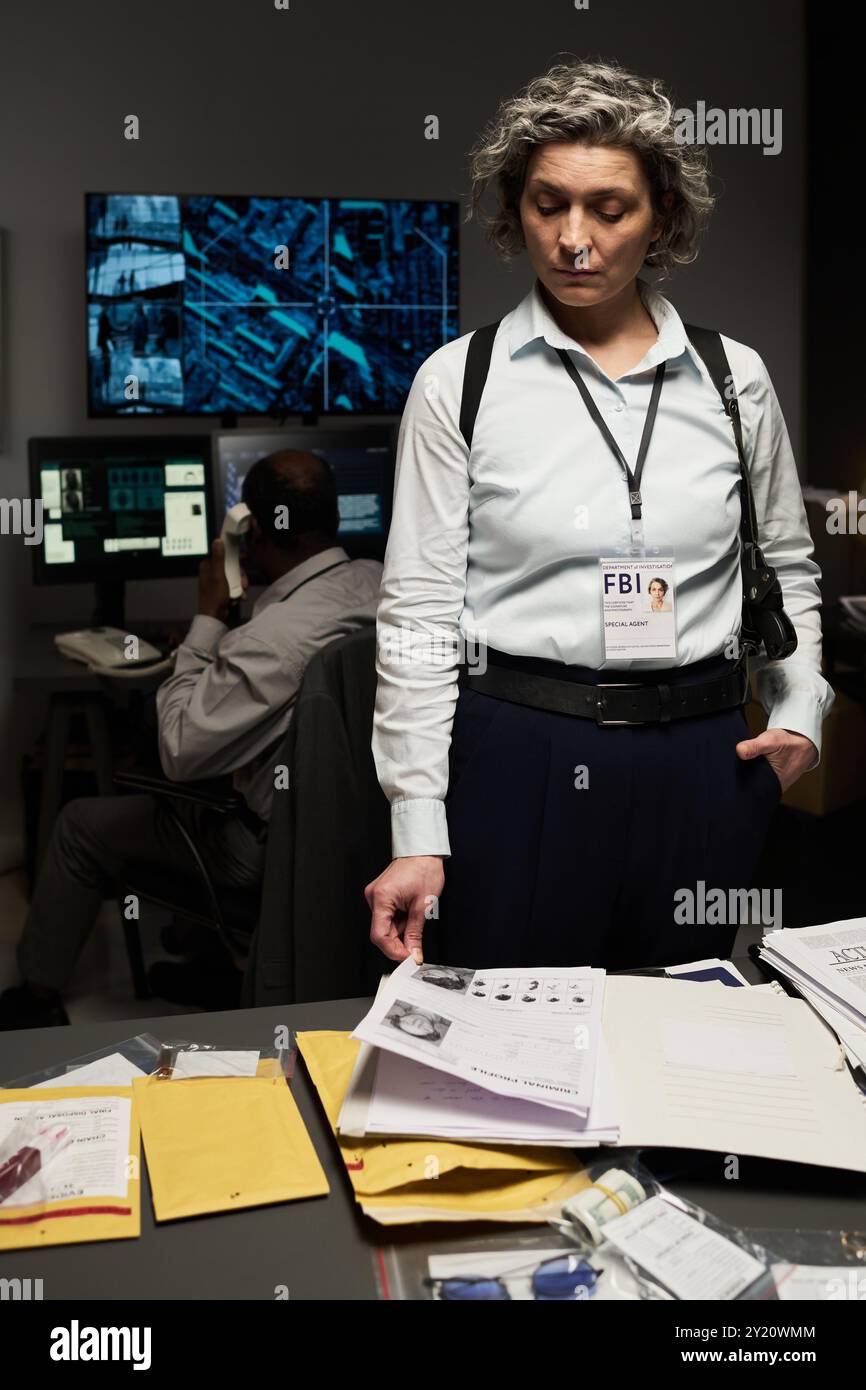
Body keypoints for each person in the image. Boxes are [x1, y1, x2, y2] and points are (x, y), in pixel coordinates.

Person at [366, 59, 833, 973]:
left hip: (705, 755)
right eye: (548, 205)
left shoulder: (735, 379)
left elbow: (788, 566)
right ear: (517, 209)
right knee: (510, 1052)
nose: (574, 239)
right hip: (517, 752)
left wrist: (804, 709)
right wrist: (417, 825)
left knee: (682, 1039)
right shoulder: (458, 384)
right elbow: (417, 619)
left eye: (609, 209)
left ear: (660, 212)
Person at [0, 452, 382, 1030]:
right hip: (358, 836)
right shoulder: (380, 583)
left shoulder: (271, 641)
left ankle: (33, 999)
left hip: (263, 850)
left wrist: (208, 619)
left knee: (80, 824)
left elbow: (179, 750)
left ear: (251, 530)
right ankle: (210, 955)